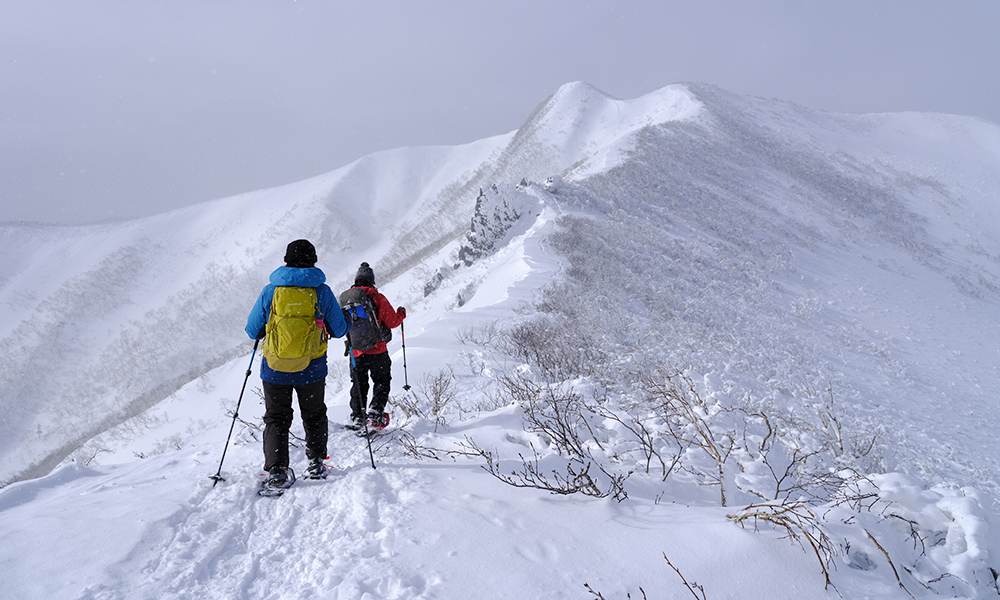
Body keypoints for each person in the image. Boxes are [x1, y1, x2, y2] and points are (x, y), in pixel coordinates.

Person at [245, 239, 350, 486]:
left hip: (274, 369)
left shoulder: (270, 291)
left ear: (286, 261)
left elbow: (252, 330)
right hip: (311, 369)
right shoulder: (321, 291)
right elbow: (339, 329)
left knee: (277, 417)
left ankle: (277, 470)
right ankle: (315, 463)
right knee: (314, 415)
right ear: (313, 261)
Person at [344, 262, 406, 431]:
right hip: (377, 350)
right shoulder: (377, 298)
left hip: (356, 352)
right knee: (382, 381)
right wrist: (402, 314)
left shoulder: (346, 300)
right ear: (372, 281)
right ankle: (375, 413)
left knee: (358, 383)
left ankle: (358, 416)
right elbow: (392, 322)